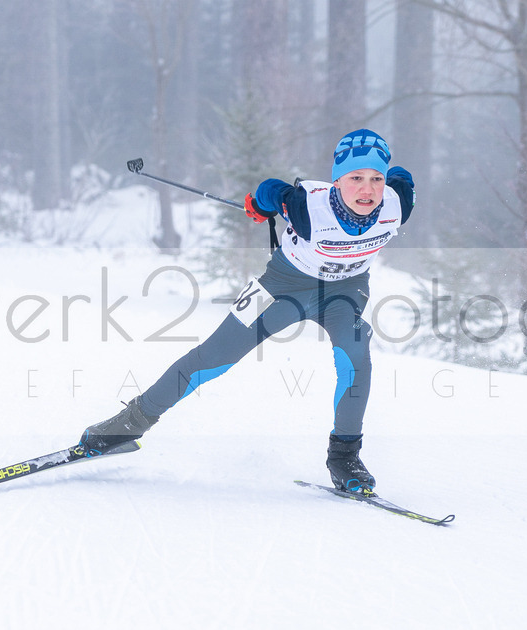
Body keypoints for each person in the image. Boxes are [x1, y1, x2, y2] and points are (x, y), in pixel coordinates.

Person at [78, 129, 415, 492]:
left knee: (356, 357)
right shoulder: (306, 206)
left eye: (376, 179)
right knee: (214, 356)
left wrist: (393, 179)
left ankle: (344, 456)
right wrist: (259, 203)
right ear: (336, 181)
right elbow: (273, 189)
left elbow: (404, 180)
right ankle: (128, 425)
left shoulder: (398, 203)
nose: (367, 190)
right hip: (284, 287)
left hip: (344, 293)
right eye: (356, 178)